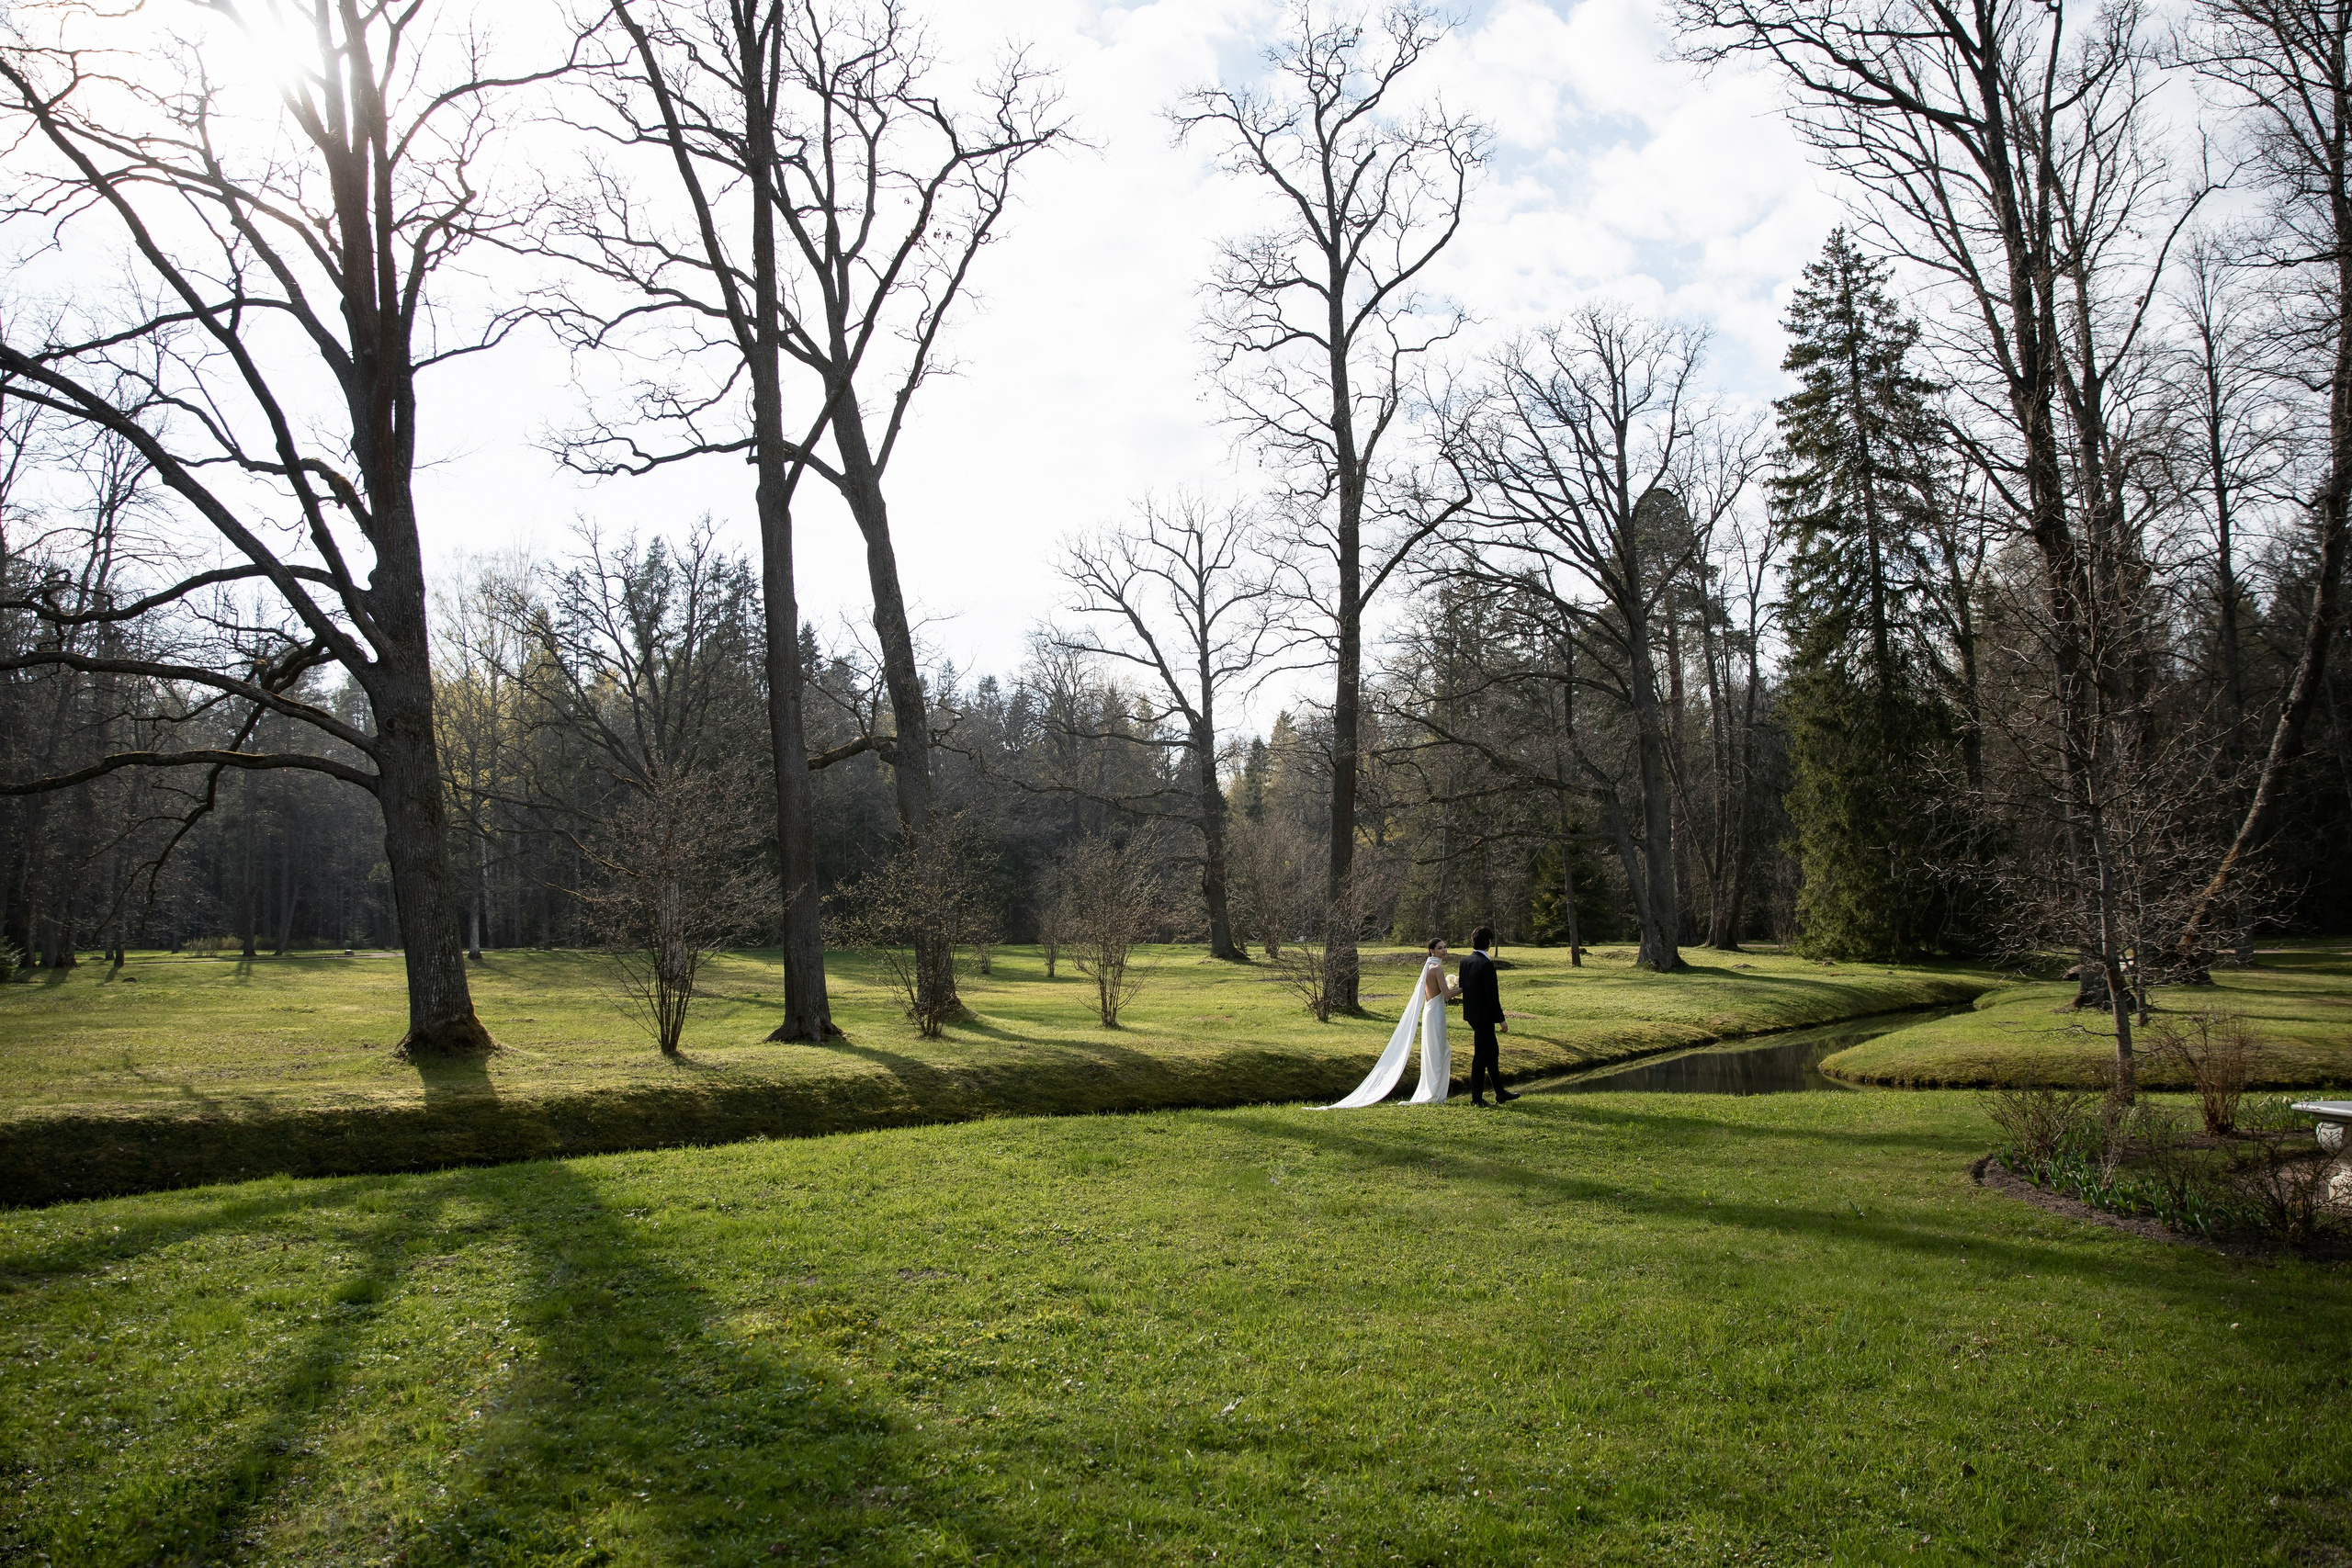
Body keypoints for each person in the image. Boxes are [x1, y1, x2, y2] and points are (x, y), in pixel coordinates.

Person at [1320, 938, 1458, 1109]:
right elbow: (1447, 994)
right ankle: (1434, 1094)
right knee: (1438, 1051)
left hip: (1431, 1011)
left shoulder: (1428, 967)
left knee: (1436, 1050)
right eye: (1440, 948)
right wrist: (1466, 986)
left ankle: (1434, 1091)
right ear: (1431, 951)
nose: (1444, 950)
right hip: (1436, 1012)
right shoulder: (1436, 968)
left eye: (1445, 947)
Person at [1459, 925, 1518, 1105]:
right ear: (1490, 943)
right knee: (1481, 1056)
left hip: (1472, 1015)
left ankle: (1500, 1092)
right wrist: (1502, 1020)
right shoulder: (1486, 964)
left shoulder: (1465, 962)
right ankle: (1476, 1099)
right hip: (1484, 1017)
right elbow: (1492, 996)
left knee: (1492, 1052)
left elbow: (1465, 988)